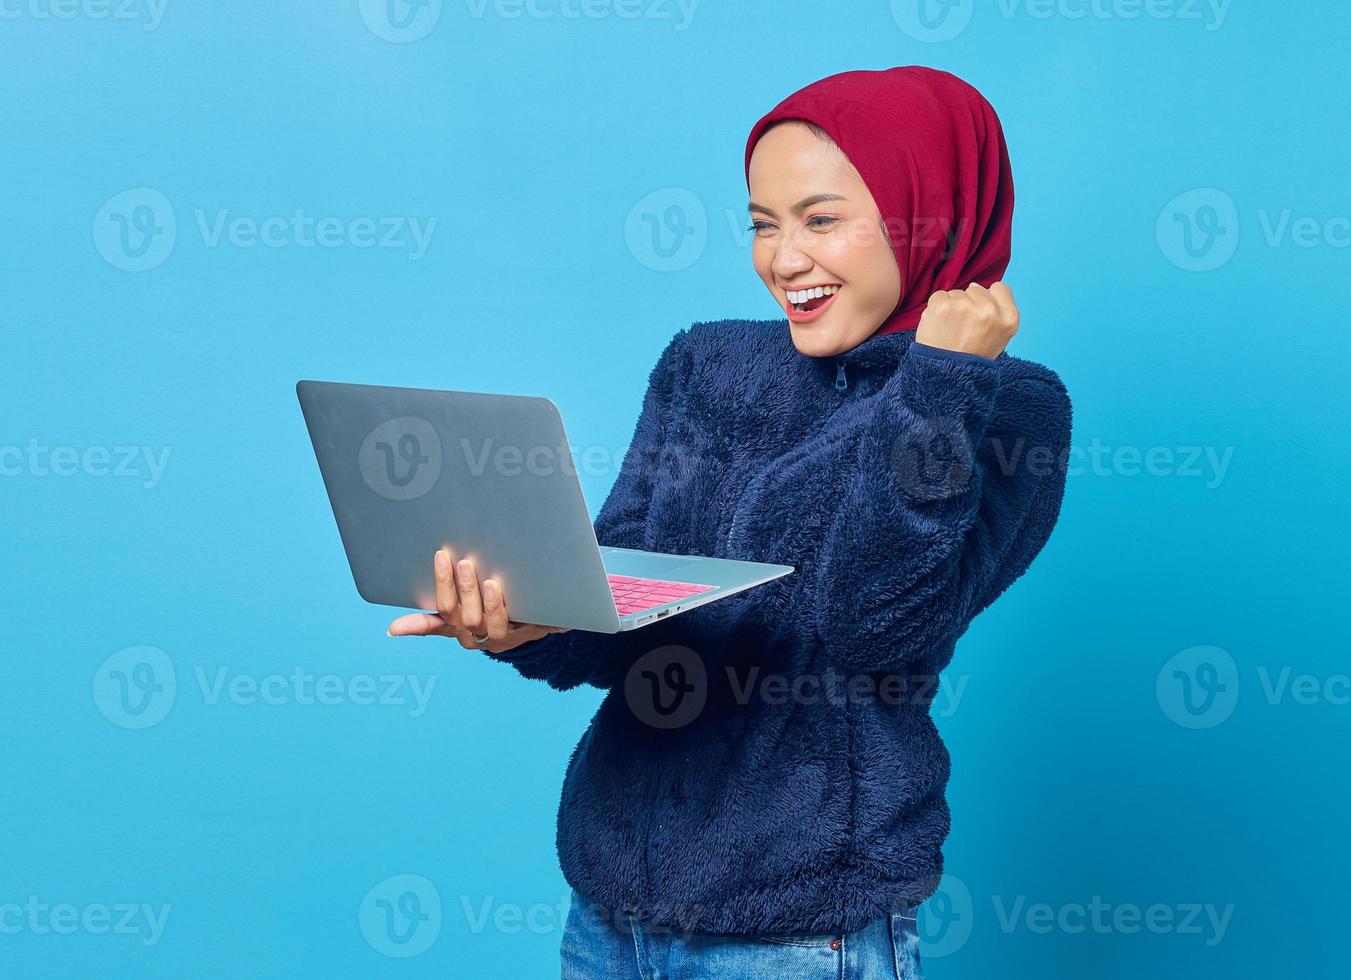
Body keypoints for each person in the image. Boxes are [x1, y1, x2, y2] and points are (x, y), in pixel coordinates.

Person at [387, 65, 1072, 978]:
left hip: (798, 930)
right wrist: (529, 623)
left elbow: (877, 626)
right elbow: (622, 609)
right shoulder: (706, 363)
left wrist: (938, 385)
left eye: (820, 219)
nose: (782, 259)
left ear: (931, 209)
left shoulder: (1005, 410)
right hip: (610, 914)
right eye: (762, 223)